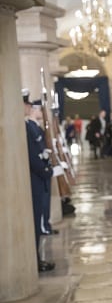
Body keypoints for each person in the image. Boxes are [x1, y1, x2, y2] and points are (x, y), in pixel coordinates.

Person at [23, 93, 55, 272]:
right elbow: (32, 155)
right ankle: (34, 260)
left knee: (39, 214)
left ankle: (36, 258)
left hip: (39, 176)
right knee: (35, 218)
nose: (29, 107)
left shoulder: (31, 127)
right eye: (28, 105)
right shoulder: (27, 127)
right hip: (35, 177)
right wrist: (45, 171)